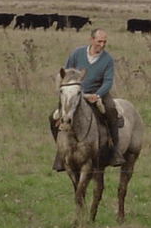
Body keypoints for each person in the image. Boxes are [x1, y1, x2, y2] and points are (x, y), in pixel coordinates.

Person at [50, 28, 126, 171]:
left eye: (104, 42)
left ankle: (115, 151)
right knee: (53, 117)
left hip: (98, 94)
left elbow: (108, 81)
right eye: (99, 41)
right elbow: (64, 73)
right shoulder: (77, 53)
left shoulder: (107, 59)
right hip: (74, 94)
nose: (102, 45)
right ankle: (60, 153)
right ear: (91, 40)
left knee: (111, 110)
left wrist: (97, 95)